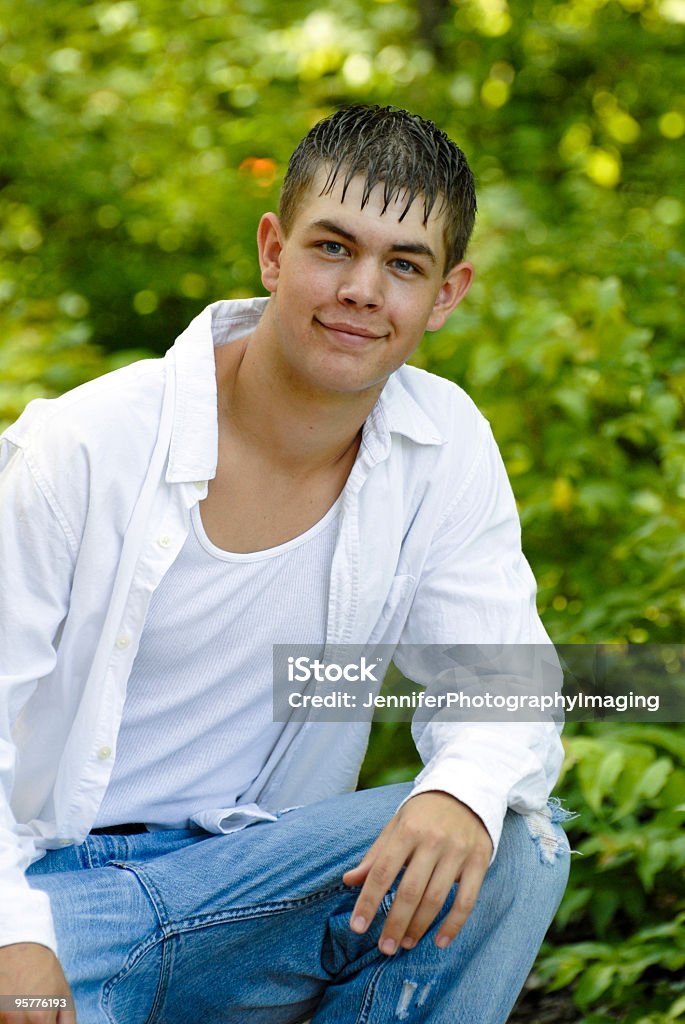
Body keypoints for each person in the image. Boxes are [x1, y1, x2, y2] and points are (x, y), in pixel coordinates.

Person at [0, 105, 570, 1023]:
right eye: (332, 247)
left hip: (250, 895)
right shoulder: (87, 446)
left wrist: (460, 793)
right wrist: (12, 941)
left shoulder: (443, 444)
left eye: (404, 265)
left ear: (447, 294)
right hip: (57, 906)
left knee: (513, 837)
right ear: (272, 250)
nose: (362, 289)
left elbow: (502, 684)